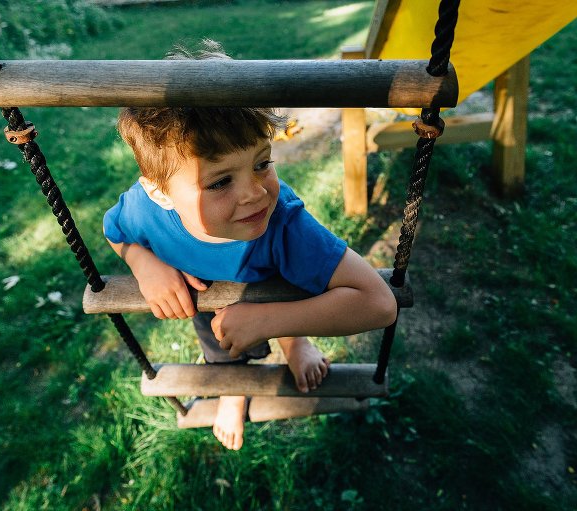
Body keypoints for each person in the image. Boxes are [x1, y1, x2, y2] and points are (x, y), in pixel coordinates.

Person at [103, 40, 397, 450]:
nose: (256, 194)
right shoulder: (144, 209)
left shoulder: (284, 224)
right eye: (221, 181)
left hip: (278, 283)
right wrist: (142, 263)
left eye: (262, 163)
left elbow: (379, 303)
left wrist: (270, 323)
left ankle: (295, 341)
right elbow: (115, 231)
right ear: (161, 194)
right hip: (211, 294)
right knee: (215, 338)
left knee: (292, 287)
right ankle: (231, 388)